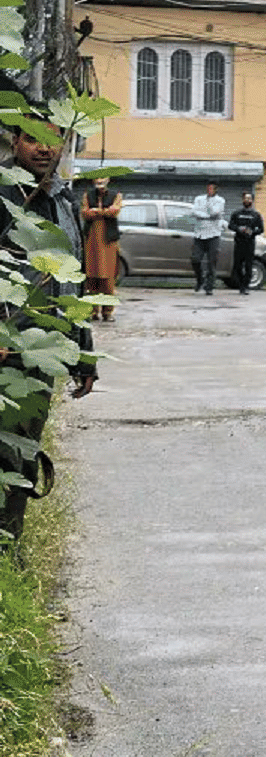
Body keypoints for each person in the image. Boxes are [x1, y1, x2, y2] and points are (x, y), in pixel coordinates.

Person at [0, 119, 96, 537]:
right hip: (7, 342)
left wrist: (83, 350)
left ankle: (9, 544)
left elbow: (72, 276)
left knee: (23, 447)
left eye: (54, 140)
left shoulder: (64, 200)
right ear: (15, 141)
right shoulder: (4, 194)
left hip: (45, 345)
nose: (44, 149)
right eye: (33, 139)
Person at [79, 175, 121, 320]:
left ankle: (107, 312)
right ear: (93, 181)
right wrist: (101, 212)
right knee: (91, 278)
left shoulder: (116, 195)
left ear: (108, 180)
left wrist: (97, 211)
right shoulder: (88, 195)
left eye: (103, 178)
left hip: (108, 242)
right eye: (97, 178)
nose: (100, 181)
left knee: (108, 279)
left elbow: (114, 211)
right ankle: (93, 311)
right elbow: (85, 213)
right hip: (91, 243)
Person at [191, 180, 226, 295]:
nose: (209, 190)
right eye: (208, 188)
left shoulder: (220, 201)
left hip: (213, 235)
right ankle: (200, 279)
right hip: (199, 234)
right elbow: (195, 212)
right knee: (195, 259)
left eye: (212, 188)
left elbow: (215, 213)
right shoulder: (199, 199)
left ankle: (209, 286)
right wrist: (206, 216)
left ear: (216, 190)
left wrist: (208, 206)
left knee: (212, 263)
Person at [228, 192, 263, 295]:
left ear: (252, 200)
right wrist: (238, 229)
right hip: (239, 243)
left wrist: (252, 232)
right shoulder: (236, 213)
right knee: (237, 266)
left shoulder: (256, 215)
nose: (247, 200)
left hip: (249, 243)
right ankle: (240, 285)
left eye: (249, 198)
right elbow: (231, 225)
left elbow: (261, 229)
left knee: (248, 266)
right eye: (245, 198)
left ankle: (246, 286)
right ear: (242, 200)